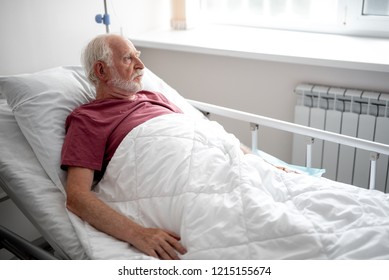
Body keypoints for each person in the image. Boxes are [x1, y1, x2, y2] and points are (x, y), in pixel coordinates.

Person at [61, 34, 187, 260]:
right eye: (128, 59)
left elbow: (201, 136)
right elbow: (77, 197)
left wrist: (253, 160)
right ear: (101, 71)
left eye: (137, 57)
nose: (141, 66)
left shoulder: (155, 96)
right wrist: (138, 234)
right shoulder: (88, 118)